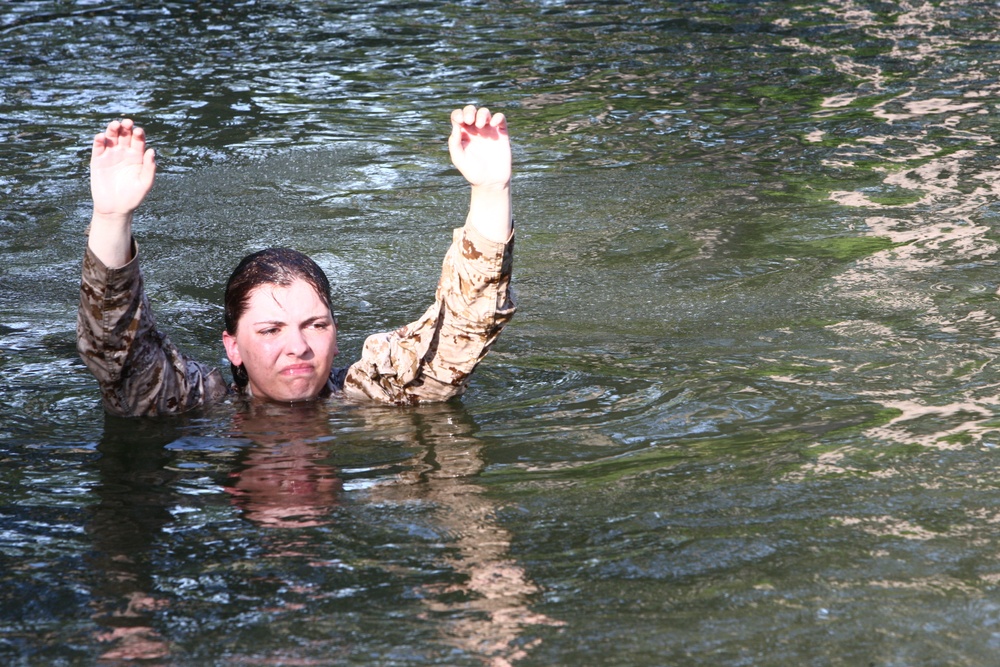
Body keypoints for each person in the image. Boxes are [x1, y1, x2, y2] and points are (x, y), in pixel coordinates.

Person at [78, 106, 515, 417]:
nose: (299, 347)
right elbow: (114, 345)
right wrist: (112, 217)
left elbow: (466, 324)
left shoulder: (378, 392)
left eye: (316, 325)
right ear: (233, 346)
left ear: (336, 334)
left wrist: (491, 190)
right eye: (270, 330)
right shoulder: (187, 403)